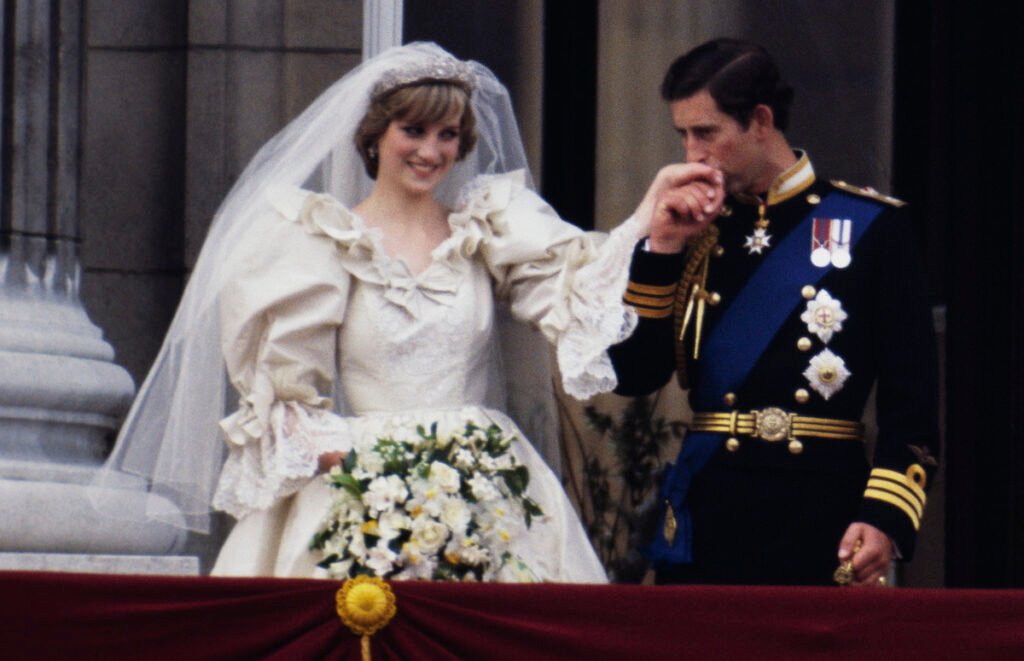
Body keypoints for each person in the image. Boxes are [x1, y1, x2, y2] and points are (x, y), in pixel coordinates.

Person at [95, 42, 710, 582]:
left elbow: (577, 296)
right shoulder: (319, 239)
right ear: (375, 135)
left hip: (487, 481)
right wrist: (378, 481)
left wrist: (646, 225)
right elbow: (287, 399)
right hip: (361, 486)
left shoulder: (488, 226)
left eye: (447, 135)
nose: (431, 151)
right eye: (413, 131)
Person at [609, 38, 939, 586]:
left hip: (822, 513)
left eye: (706, 133)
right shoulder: (689, 229)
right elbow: (633, 375)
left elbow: (914, 403)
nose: (691, 154)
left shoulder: (874, 228)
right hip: (710, 511)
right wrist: (660, 251)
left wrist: (883, 516)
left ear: (760, 121)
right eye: (683, 135)